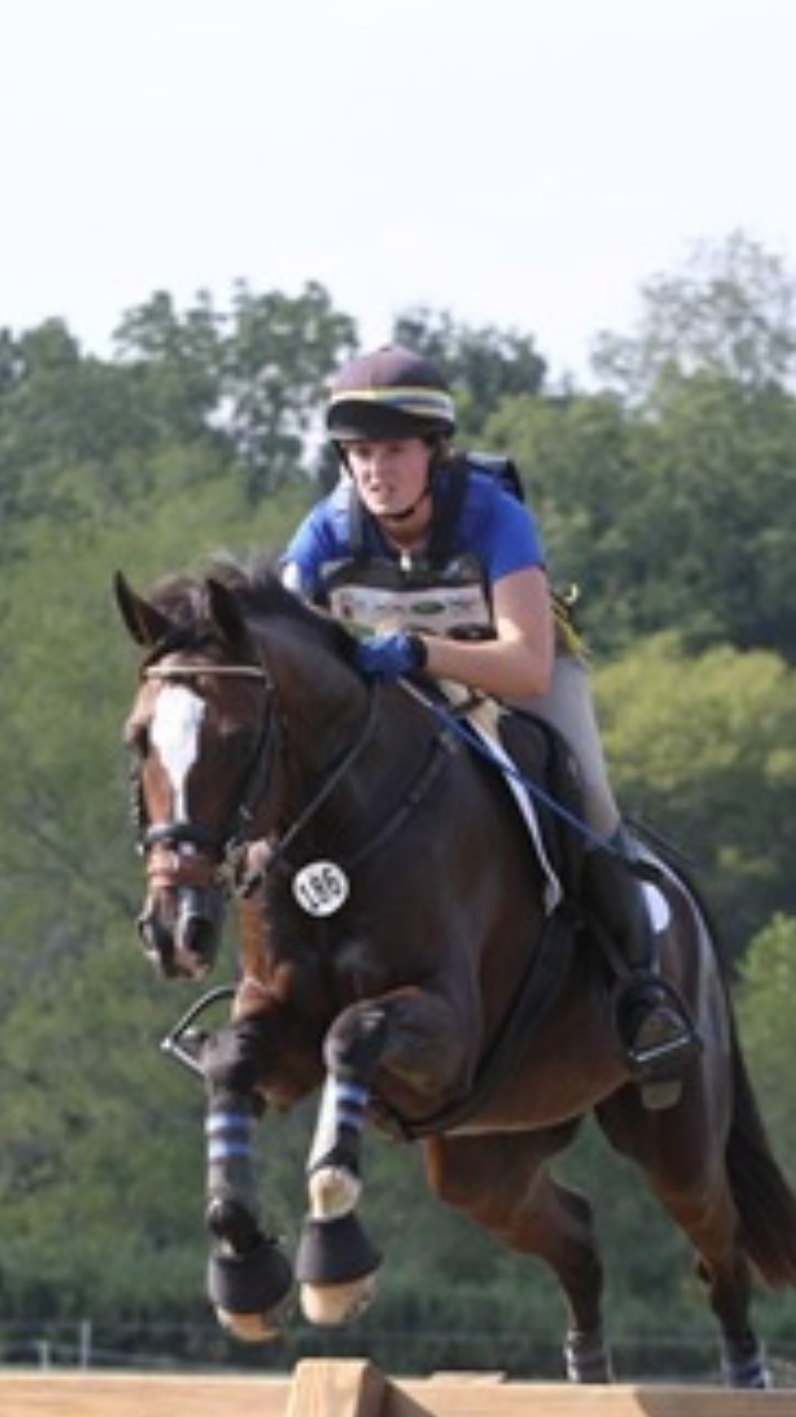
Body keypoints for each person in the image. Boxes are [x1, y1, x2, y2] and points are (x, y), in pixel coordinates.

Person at [280, 342, 698, 1090]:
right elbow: (287, 639)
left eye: (396, 451)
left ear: (435, 453)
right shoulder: (325, 534)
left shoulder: (491, 516)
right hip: (400, 697)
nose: (377, 471)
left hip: (516, 683)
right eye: (361, 453)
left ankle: (643, 993)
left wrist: (419, 651)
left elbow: (526, 663)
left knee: (587, 796)